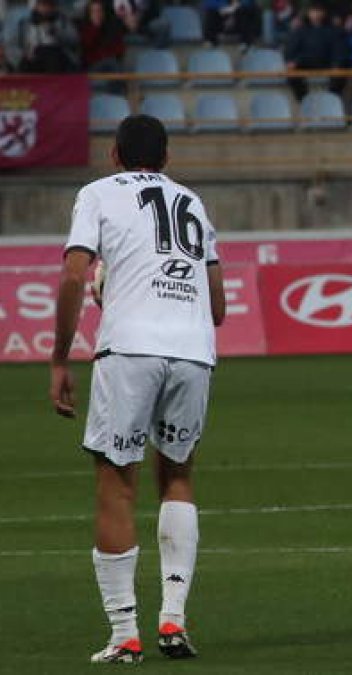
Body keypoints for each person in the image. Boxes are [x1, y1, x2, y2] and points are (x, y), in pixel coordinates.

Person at [51, 115, 226, 664]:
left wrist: (59, 357)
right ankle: (173, 620)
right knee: (176, 474)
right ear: (167, 158)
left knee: (115, 481)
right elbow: (218, 306)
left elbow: (75, 275)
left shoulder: (97, 192)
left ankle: (124, 632)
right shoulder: (193, 202)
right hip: (194, 350)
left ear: (114, 155)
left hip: (129, 349)